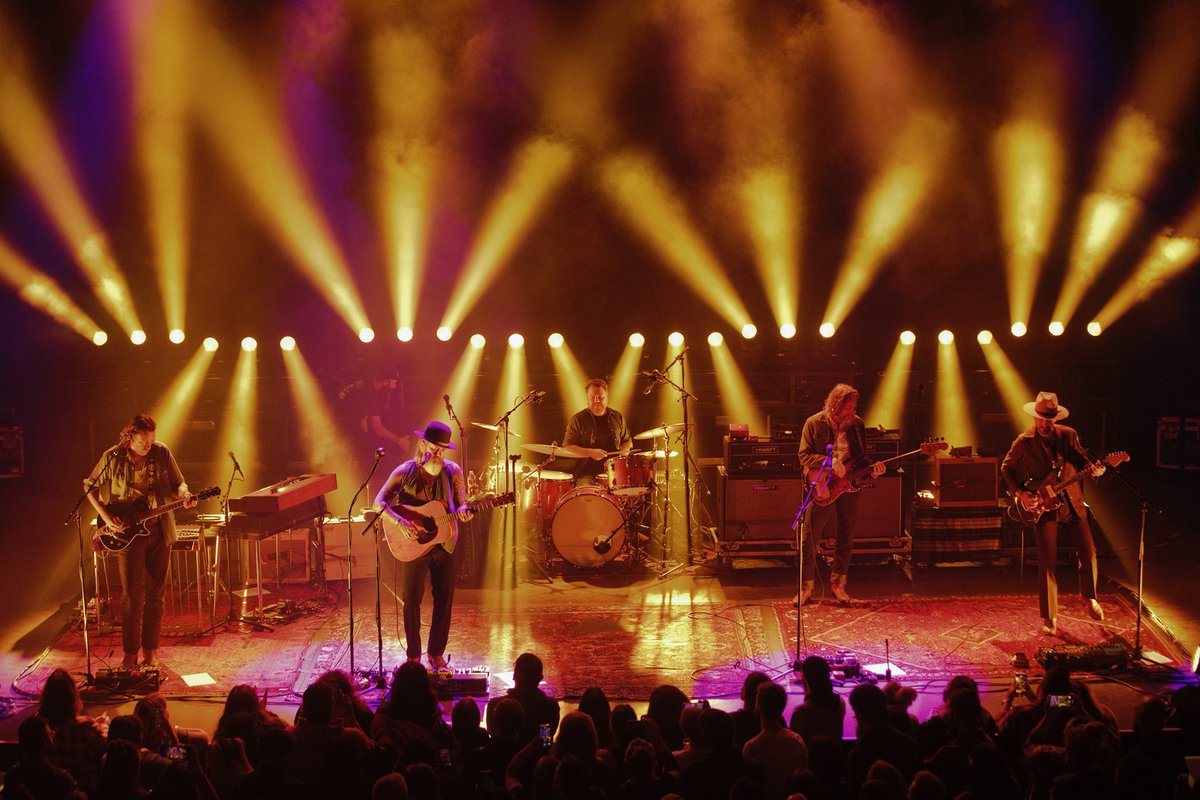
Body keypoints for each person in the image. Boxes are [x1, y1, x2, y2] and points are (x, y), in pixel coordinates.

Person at [84, 414, 197, 669]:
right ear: (130, 436)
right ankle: (130, 653)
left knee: (156, 596)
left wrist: (185, 494)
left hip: (159, 530)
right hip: (128, 533)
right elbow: (89, 486)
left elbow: (179, 483)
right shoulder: (112, 456)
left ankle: (151, 651)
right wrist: (105, 516)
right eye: (143, 440)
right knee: (131, 597)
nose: (148, 445)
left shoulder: (161, 453)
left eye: (151, 439)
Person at [1001, 391, 1106, 635]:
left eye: (1049, 419)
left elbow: (1083, 463)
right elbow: (1007, 468)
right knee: (1047, 561)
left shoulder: (1069, 436)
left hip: (1073, 503)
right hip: (1043, 506)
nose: (1045, 424)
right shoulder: (1023, 441)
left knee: (1089, 553)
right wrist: (1021, 493)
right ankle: (1050, 617)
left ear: (1055, 419)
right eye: (1041, 419)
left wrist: (1095, 470)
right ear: (1035, 418)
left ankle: (1088, 597)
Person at [374, 421, 473, 669]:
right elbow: (379, 503)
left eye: (443, 449)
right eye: (434, 447)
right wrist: (400, 522)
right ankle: (414, 655)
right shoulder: (405, 471)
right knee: (412, 599)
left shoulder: (453, 471)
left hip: (444, 542)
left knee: (444, 598)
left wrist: (463, 511)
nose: (439, 453)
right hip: (413, 543)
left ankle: (436, 652)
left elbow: (461, 503)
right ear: (423, 444)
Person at [797, 384, 885, 604]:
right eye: (848, 407)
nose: (852, 411)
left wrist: (873, 470)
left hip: (849, 485)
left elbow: (862, 458)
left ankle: (839, 584)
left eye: (854, 407)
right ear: (835, 404)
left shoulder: (857, 424)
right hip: (823, 483)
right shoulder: (814, 423)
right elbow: (803, 455)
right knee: (810, 536)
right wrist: (829, 462)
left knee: (846, 535)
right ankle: (806, 587)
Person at [561, 378, 633, 486]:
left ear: (607, 397)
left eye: (600, 397)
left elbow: (628, 441)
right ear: (587, 398)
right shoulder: (577, 419)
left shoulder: (617, 417)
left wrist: (624, 450)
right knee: (588, 496)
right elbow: (567, 447)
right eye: (593, 397)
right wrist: (590, 452)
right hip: (586, 473)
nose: (596, 401)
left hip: (614, 472)